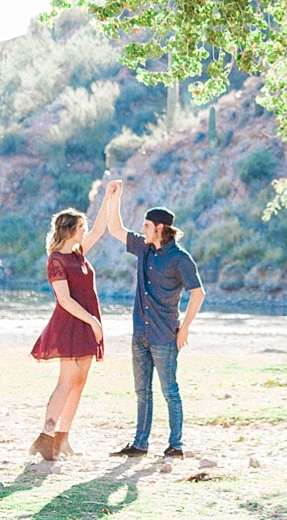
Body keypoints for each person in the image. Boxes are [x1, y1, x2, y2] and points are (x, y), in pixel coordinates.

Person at [107, 194, 205, 459]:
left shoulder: (180, 259)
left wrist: (184, 328)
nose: (142, 230)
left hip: (164, 336)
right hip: (140, 334)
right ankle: (140, 444)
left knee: (170, 392)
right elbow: (115, 229)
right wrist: (112, 197)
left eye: (146, 226)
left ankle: (176, 445)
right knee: (142, 392)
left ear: (160, 229)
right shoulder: (143, 248)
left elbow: (198, 293)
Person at [28, 180, 121, 460]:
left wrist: (107, 199)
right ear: (70, 231)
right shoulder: (57, 260)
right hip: (71, 323)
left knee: (80, 381)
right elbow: (65, 300)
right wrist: (93, 321)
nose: (84, 231)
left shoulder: (78, 254)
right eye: (80, 227)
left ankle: (62, 439)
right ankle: (45, 438)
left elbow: (99, 230)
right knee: (66, 381)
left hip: (85, 323)